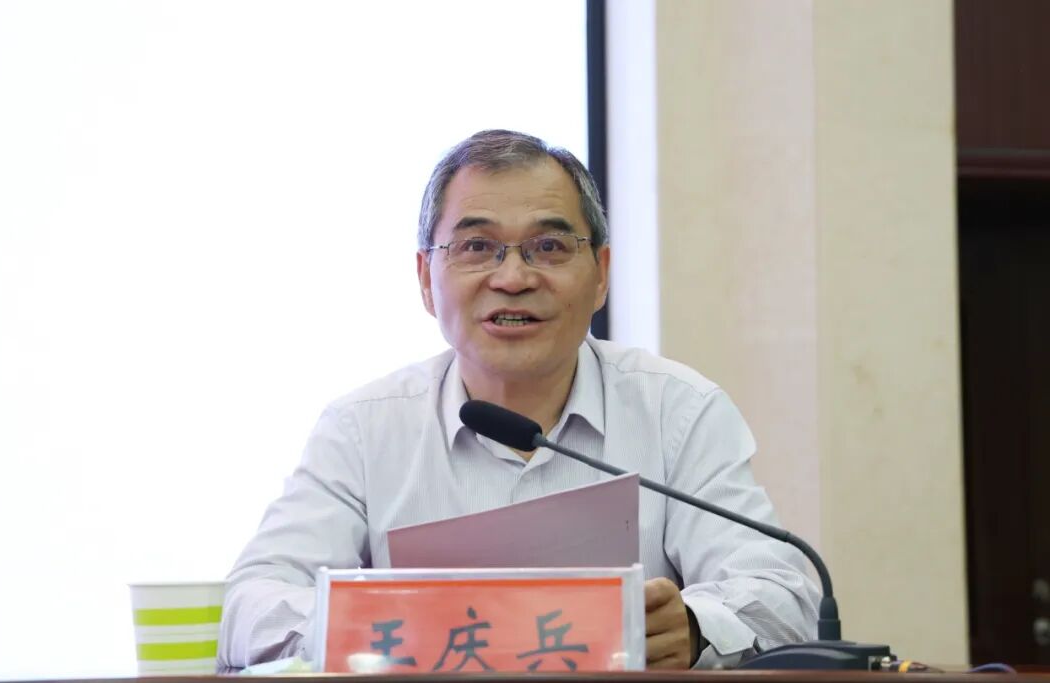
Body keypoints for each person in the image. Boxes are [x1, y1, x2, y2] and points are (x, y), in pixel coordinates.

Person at [218, 129, 819, 671]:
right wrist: (383, 622)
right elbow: (251, 607)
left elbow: (782, 589)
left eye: (549, 248)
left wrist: (694, 626)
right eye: (477, 247)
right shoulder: (363, 429)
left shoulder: (677, 410)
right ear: (426, 279)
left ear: (601, 274)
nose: (513, 278)